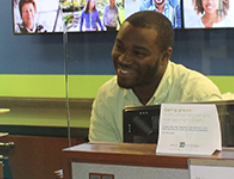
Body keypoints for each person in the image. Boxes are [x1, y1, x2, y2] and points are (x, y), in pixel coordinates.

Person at [88, 11, 222, 142]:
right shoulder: (107, 97)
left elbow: (212, 161)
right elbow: (102, 161)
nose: (124, 59)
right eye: (120, 47)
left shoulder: (198, 96)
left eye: (138, 53)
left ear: (165, 57)